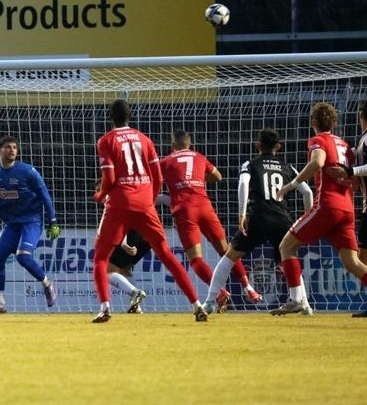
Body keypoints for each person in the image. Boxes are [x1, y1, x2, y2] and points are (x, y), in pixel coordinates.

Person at [92, 99, 207, 323]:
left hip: (119, 203)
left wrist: (100, 195)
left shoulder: (106, 140)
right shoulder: (145, 140)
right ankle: (197, 305)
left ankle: (105, 308)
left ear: (110, 117)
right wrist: (149, 197)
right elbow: (157, 176)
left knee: (100, 259)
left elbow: (110, 178)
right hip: (145, 203)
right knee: (165, 254)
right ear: (130, 115)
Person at [202, 128, 314, 315]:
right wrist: (307, 217)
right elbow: (308, 192)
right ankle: (305, 305)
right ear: (278, 146)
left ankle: (209, 302)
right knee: (289, 258)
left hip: (258, 217)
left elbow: (243, 184)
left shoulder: (250, 164)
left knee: (229, 258)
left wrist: (242, 213)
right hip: (282, 219)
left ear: (258, 146)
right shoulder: (288, 166)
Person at [272, 102, 367, 315]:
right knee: (352, 262)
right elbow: (354, 180)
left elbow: (317, 162)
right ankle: (298, 301)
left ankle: (296, 300)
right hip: (348, 208)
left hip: (328, 205)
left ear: (313, 122)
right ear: (334, 122)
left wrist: (291, 185)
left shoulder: (318, 140)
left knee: (286, 246)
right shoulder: (345, 145)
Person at [159, 130, 262, 312]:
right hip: (205, 207)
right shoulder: (199, 156)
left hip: (185, 211)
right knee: (227, 251)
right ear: (189, 144)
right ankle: (249, 288)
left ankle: (221, 293)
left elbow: (154, 184)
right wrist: (197, 180)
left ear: (173, 146)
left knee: (196, 259)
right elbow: (218, 176)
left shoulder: (165, 162)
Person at [0, 136, 60, 313]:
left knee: (23, 256)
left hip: (31, 221)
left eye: (15, 147)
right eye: (8, 147)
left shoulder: (27, 171)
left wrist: (52, 221)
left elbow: (44, 195)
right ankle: (0, 301)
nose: (12, 150)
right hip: (11, 224)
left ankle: (47, 284)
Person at [325, 100, 367, 317]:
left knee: (361, 258)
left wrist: (349, 172)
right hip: (364, 207)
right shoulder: (360, 141)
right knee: (362, 257)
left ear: (361, 115)